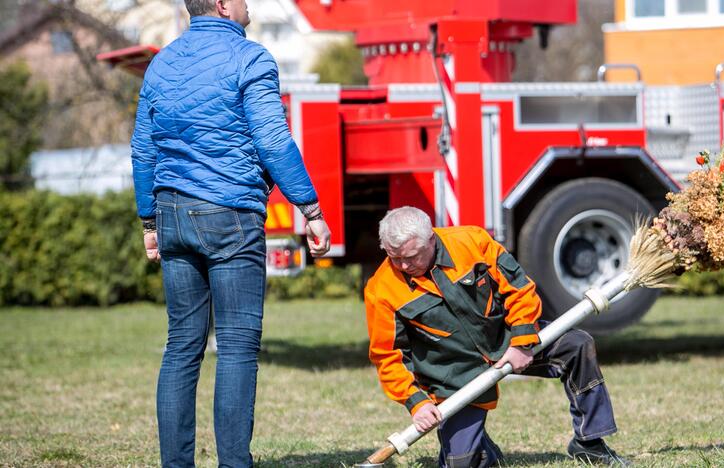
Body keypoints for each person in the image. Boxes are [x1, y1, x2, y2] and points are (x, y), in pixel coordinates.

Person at [130, 0, 331, 466]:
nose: (249, 5)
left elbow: (143, 147)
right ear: (222, 4)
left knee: (182, 346)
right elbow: (273, 140)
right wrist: (311, 208)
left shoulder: (161, 63)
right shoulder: (251, 58)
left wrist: (148, 220)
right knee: (237, 348)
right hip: (230, 215)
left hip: (172, 213)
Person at [364, 207, 628, 467]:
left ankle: (589, 443)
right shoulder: (381, 289)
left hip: (504, 339)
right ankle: (482, 450)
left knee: (577, 345)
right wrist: (416, 402)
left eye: (412, 256)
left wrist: (522, 342)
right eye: (394, 257)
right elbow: (388, 356)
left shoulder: (472, 242)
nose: (404, 265)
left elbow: (519, 288)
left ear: (431, 238)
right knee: (461, 463)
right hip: (453, 376)